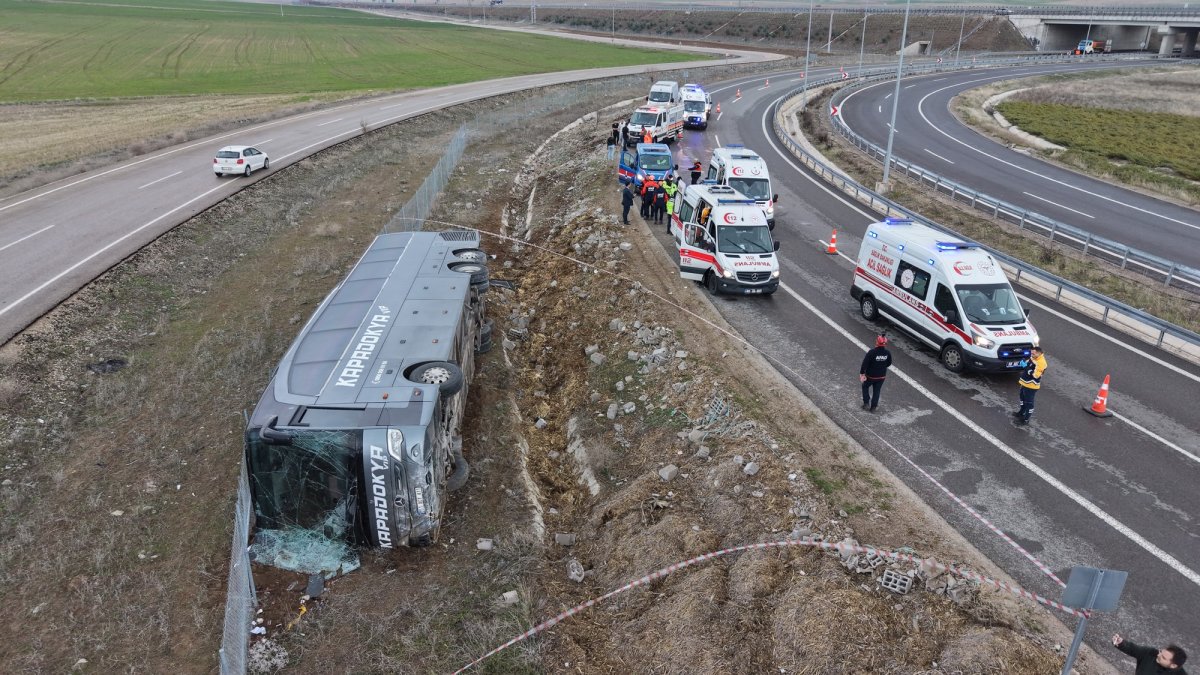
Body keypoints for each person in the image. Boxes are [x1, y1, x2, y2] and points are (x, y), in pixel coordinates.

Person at [1112, 634, 1188, 674]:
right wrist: (1121, 643)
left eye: (1163, 657)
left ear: (1173, 665)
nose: (1158, 655)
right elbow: (1133, 649)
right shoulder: (1150, 653)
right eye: (1161, 652)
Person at [1013, 345, 1047, 426]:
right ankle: (1021, 413)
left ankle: (1025, 419)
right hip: (1025, 383)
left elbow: (1035, 375)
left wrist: (1026, 367)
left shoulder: (1041, 363)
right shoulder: (1034, 358)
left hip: (1031, 386)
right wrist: (1024, 363)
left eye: (1033, 354)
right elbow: (1028, 363)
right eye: (1031, 353)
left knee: (1029, 403)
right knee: (1022, 399)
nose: (1031, 355)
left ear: (1039, 354)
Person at [859, 335, 893, 412]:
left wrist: (862, 373)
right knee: (877, 391)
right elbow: (889, 363)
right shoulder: (887, 353)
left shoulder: (872, 352)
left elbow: (865, 364)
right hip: (881, 376)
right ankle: (873, 407)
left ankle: (866, 403)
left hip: (871, 376)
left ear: (877, 342)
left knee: (865, 386)